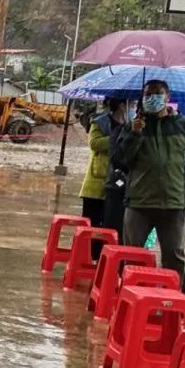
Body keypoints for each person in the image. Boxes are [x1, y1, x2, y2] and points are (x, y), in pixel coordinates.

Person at [114, 79, 185, 284]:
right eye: (147, 95)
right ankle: (131, 295)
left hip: (173, 203)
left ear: (167, 97)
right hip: (139, 202)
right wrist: (135, 134)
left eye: (157, 94)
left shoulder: (182, 125)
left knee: (174, 258)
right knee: (132, 256)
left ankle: (173, 298)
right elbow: (120, 160)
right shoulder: (133, 126)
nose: (152, 98)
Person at [80, 99, 126, 255]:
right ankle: (90, 257)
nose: (134, 107)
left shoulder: (130, 124)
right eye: (132, 104)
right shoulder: (100, 122)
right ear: (122, 105)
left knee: (110, 226)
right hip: (97, 182)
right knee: (93, 224)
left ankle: (103, 257)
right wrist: (116, 138)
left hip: (117, 184)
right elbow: (94, 144)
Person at [95, 99, 129, 242]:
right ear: (123, 105)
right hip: (114, 183)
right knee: (112, 229)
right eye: (133, 105)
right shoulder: (104, 124)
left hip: (138, 191)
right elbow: (117, 158)